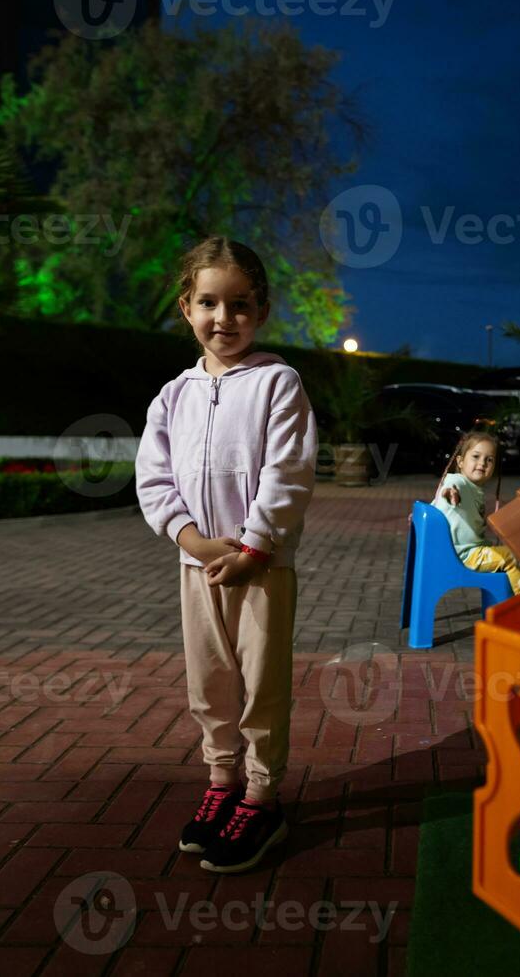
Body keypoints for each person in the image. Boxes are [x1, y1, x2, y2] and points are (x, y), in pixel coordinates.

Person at [135, 236, 316, 874]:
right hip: (197, 567)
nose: (223, 319)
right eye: (208, 303)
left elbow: (287, 473)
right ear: (186, 308)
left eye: (239, 305)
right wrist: (188, 537)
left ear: (260, 311)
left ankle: (262, 796)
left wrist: (252, 546)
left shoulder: (278, 383)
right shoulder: (173, 396)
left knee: (260, 687)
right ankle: (221, 782)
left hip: (261, 569)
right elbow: (153, 478)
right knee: (210, 686)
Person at [432, 430, 520, 593]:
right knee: (509, 556)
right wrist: (449, 492)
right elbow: (448, 486)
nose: (483, 463)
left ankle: (509, 596)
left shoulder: (475, 489)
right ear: (460, 462)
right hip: (462, 554)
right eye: (476, 456)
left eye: (489, 459)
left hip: (468, 550)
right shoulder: (458, 482)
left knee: (505, 553)